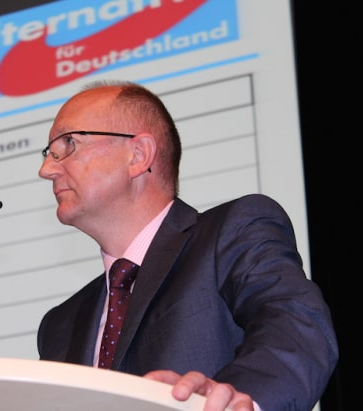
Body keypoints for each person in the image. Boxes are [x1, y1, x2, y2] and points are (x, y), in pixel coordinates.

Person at [36, 79, 338, 411]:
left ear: (138, 155)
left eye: (68, 145)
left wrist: (239, 401)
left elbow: (295, 326)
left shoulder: (231, 232)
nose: (46, 169)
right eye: (49, 153)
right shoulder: (59, 325)